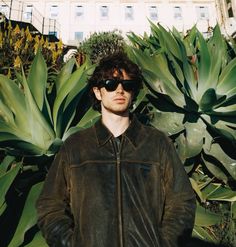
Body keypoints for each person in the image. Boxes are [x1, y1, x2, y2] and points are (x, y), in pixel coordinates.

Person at [36, 52, 196, 247]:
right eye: (111, 84)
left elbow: (182, 202)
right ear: (97, 92)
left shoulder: (157, 144)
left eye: (127, 85)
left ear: (133, 92)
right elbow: (50, 206)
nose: (120, 90)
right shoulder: (75, 147)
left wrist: (164, 243)